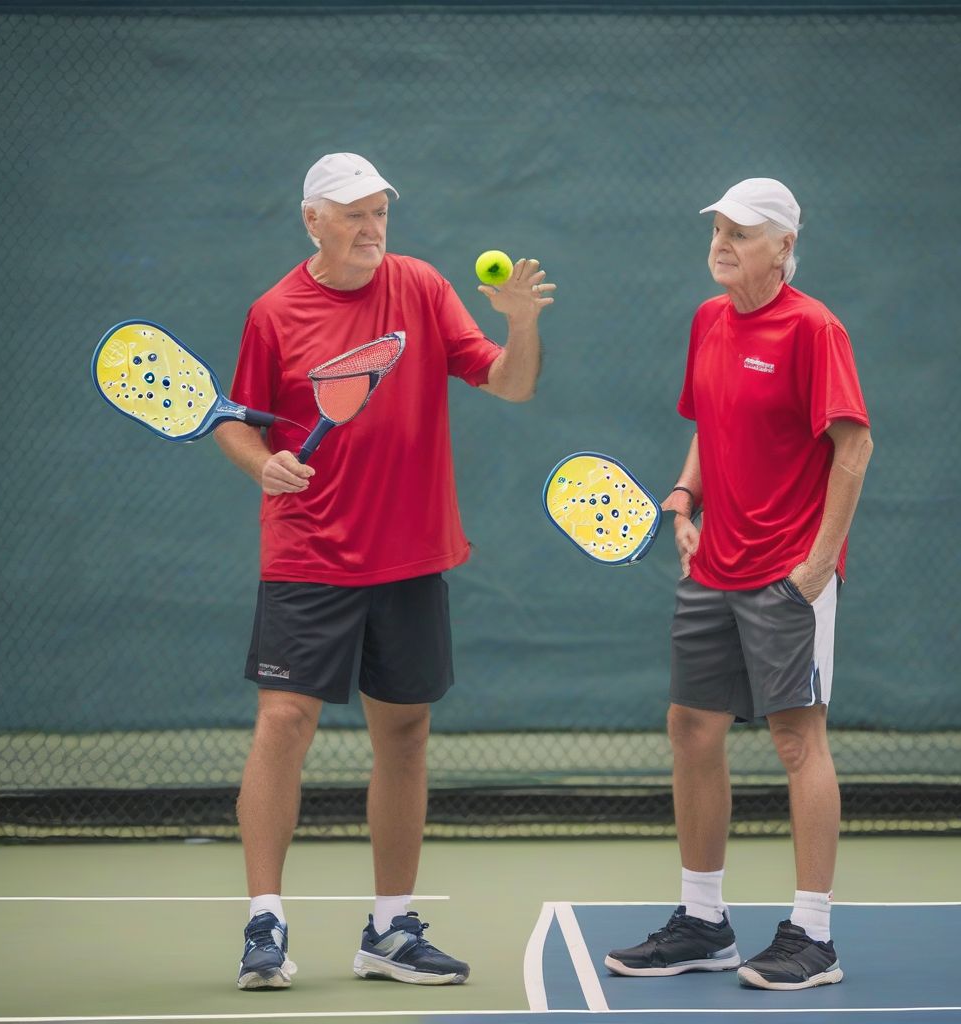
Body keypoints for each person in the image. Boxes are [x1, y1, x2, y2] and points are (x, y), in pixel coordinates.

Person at [215, 152, 555, 991]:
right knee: (284, 721)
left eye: (380, 214)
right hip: (309, 553)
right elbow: (233, 419)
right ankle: (265, 923)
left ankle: (391, 930)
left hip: (410, 554)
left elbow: (509, 385)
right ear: (313, 221)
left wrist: (519, 320)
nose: (372, 230)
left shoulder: (424, 288)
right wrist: (262, 465)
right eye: (355, 215)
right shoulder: (275, 312)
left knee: (403, 734)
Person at [604, 178, 872, 991]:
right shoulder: (708, 320)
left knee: (798, 741)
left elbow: (853, 449)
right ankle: (704, 922)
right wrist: (685, 498)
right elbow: (708, 425)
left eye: (742, 233)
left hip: (788, 572)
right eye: (718, 228)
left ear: (785, 246)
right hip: (712, 564)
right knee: (691, 727)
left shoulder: (815, 328)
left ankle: (814, 937)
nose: (722, 242)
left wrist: (818, 563)